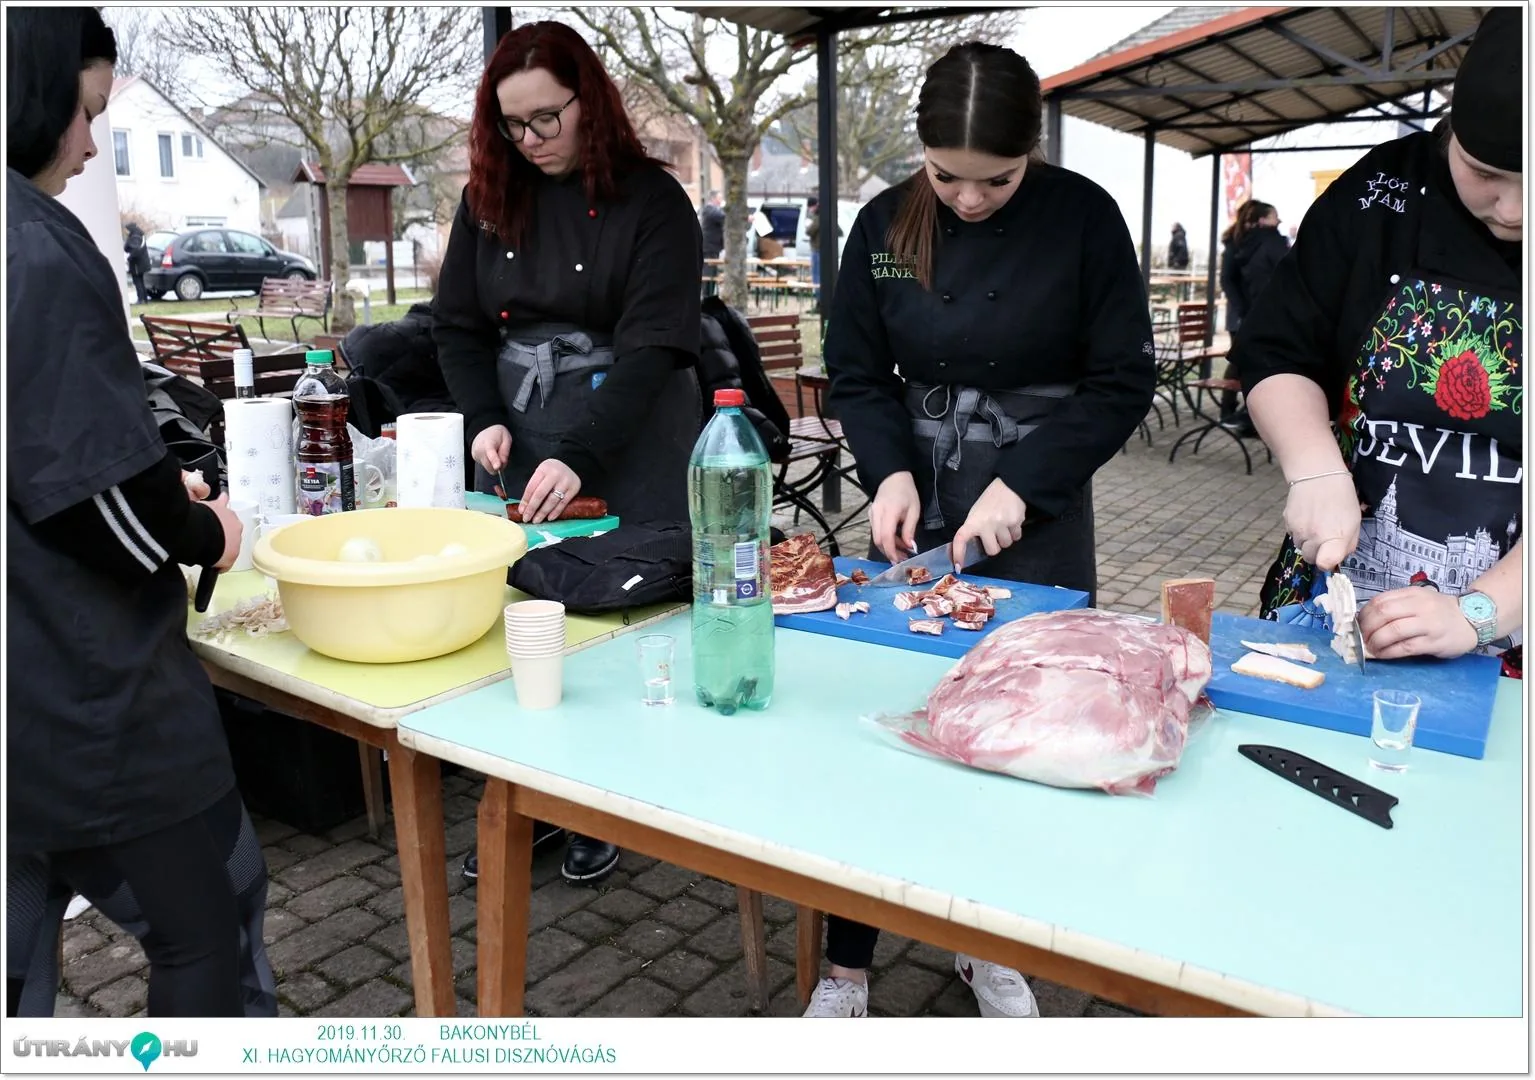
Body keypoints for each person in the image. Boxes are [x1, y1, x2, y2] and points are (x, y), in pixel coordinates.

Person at [815, 41, 1156, 1019]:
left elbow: (1120, 379)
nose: (966, 200)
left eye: (993, 179)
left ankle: (988, 941)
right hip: (912, 496)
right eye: (944, 176)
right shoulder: (883, 225)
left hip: (1035, 506)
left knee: (1024, 731)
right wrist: (882, 471)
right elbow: (853, 371)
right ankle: (845, 965)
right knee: (880, 721)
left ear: (1033, 150)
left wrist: (1024, 483)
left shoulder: (1084, 218)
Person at [7, 6, 267, 1017]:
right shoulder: (35, 249)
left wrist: (153, 486)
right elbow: (94, 503)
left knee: (21, 945)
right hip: (85, 702)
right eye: (83, 109)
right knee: (211, 925)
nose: (89, 140)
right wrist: (206, 529)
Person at [434, 20, 703, 885]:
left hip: (632, 424)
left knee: (619, 611)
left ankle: (602, 799)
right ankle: (523, 801)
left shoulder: (654, 201)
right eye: (511, 125)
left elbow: (656, 344)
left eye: (546, 119)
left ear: (589, 100)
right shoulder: (487, 198)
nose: (531, 141)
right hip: (523, 423)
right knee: (527, 611)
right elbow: (457, 325)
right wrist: (482, 414)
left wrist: (583, 452)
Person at [1234, 6, 1522, 677]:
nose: (1510, 210)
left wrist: (1479, 612)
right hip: (1349, 582)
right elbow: (1278, 348)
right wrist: (1311, 466)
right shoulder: (1377, 194)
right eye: (1483, 172)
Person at [1217, 199, 1288, 431]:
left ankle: (1238, 411)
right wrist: (1242, 309)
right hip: (1242, 314)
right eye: (1273, 217)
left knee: (1242, 362)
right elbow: (1229, 280)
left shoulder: (1250, 243)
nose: (1278, 221)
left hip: (1250, 313)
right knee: (1239, 361)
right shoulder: (1238, 244)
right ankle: (1230, 411)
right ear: (1259, 220)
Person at [804, 194, 842, 312]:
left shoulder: (819, 216)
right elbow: (839, 231)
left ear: (814, 206)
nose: (810, 210)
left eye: (810, 207)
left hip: (817, 249)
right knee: (824, 277)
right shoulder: (828, 214)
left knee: (817, 278)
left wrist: (809, 225)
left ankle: (820, 304)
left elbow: (810, 231)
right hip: (825, 250)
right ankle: (824, 303)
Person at [124, 220, 151, 304]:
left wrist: (129, 258)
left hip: (137, 263)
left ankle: (141, 299)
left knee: (137, 282)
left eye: (127, 229)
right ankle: (144, 299)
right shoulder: (138, 234)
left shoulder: (135, 236)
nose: (126, 231)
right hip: (141, 262)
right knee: (141, 281)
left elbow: (136, 250)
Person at [699, 189, 725, 272]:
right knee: (708, 272)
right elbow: (722, 217)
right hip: (709, 247)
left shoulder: (714, 210)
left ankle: (710, 285)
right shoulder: (709, 209)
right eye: (719, 198)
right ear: (713, 199)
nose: (721, 201)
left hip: (714, 247)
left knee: (713, 272)